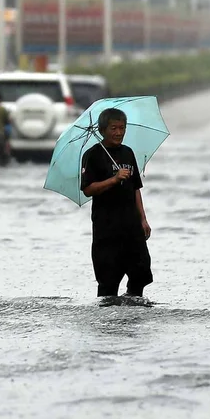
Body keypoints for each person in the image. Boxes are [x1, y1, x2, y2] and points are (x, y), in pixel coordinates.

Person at [80, 108, 153, 298]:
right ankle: (109, 321)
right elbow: (88, 189)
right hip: (107, 228)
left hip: (131, 225)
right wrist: (113, 179)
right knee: (108, 282)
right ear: (102, 130)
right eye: (113, 128)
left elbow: (136, 187)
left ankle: (132, 307)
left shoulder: (128, 153)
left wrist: (143, 219)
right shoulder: (93, 155)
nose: (119, 132)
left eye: (122, 128)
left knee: (141, 273)